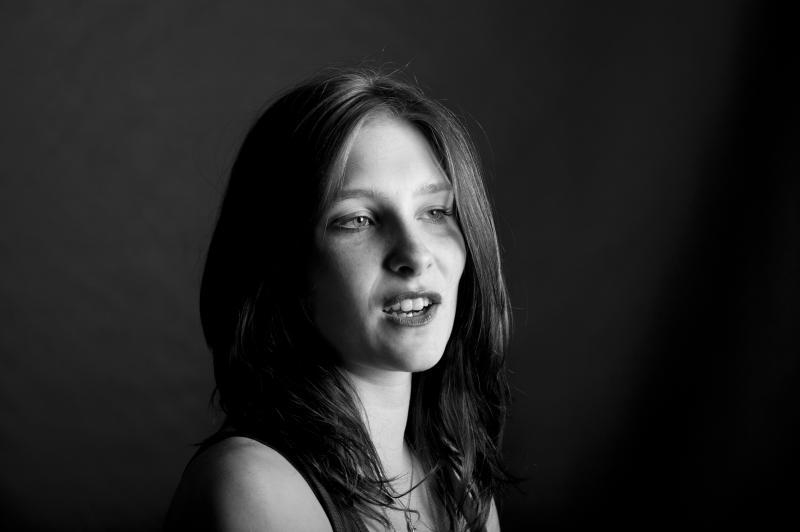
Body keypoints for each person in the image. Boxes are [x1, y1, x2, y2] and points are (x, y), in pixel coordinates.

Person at [165, 68, 512, 532]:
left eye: (435, 211)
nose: (415, 255)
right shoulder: (255, 487)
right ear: (283, 263)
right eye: (358, 220)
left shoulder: (460, 488)